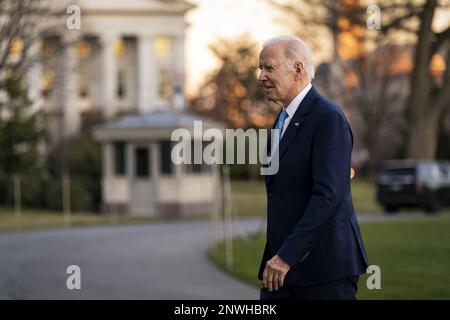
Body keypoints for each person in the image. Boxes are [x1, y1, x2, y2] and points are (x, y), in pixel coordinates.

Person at [257, 35, 369, 300]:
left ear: (297, 70)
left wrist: (286, 256)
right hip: (283, 271)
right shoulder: (282, 119)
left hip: (324, 273)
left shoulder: (328, 118)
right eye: (261, 68)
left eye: (269, 68)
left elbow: (328, 196)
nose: (261, 76)